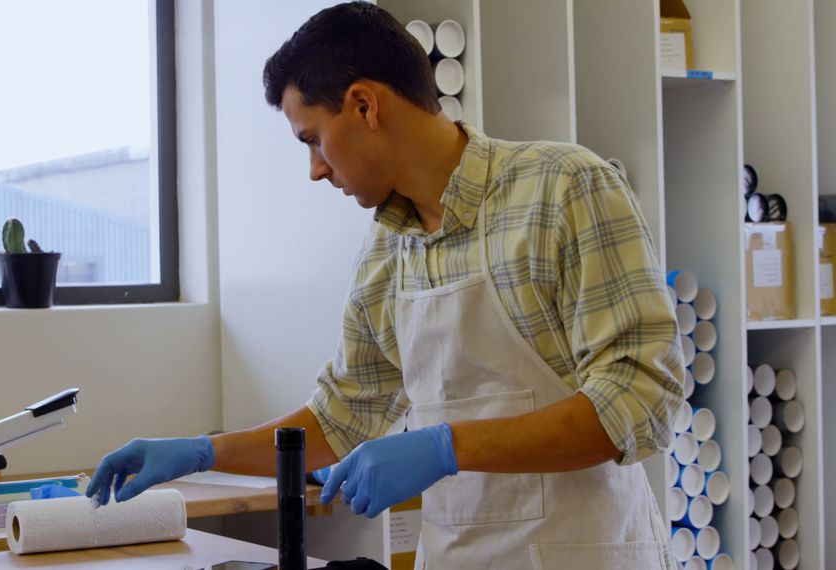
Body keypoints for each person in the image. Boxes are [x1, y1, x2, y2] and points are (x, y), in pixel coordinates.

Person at [87, 3, 684, 568]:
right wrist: (203, 452)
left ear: (365, 106)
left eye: (313, 139)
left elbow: (639, 400)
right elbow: (340, 418)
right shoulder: (386, 251)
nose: (315, 169)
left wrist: (444, 447)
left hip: (585, 552)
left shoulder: (564, 188)